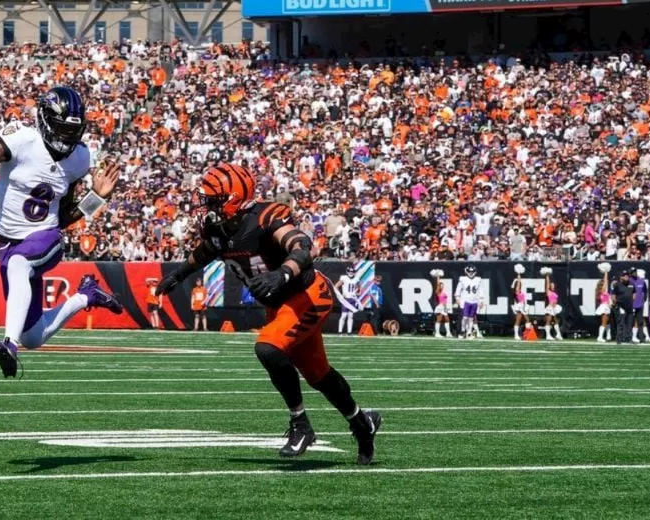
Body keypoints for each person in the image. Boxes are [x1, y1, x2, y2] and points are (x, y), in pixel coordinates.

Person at [156, 163, 380, 465]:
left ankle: (300, 424)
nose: (207, 206)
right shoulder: (219, 228)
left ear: (233, 198)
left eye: (213, 199)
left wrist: (283, 274)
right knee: (318, 375)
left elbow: (302, 245)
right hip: (282, 305)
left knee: (268, 347)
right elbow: (208, 250)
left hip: (307, 294)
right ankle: (361, 422)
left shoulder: (266, 217)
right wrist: (179, 274)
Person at [0, 86, 125, 378]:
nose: (67, 138)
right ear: (44, 119)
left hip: (46, 238)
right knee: (34, 336)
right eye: (61, 129)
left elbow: (64, 217)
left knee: (20, 264)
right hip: (9, 244)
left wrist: (97, 197)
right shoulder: (24, 140)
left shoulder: (79, 158)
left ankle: (8, 344)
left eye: (73, 131)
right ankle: (86, 296)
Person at [455, 266, 483, 340]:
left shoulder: (478, 280)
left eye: (472, 271)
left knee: (471, 318)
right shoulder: (463, 279)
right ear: (467, 271)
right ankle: (462, 331)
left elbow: (480, 290)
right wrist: (457, 297)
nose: (471, 273)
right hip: (465, 301)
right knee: (465, 317)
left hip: (474, 301)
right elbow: (458, 289)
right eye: (469, 272)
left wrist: (481, 300)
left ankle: (469, 333)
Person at [611, 270, 635, 345]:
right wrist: (616, 303)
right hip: (621, 306)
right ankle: (619, 339)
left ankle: (629, 338)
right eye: (625, 276)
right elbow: (613, 295)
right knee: (621, 323)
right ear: (621, 277)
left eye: (627, 275)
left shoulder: (631, 284)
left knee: (629, 323)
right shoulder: (617, 285)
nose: (627, 277)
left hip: (629, 306)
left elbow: (634, 293)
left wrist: (632, 300)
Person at [512, 264, 532, 340]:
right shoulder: (517, 291)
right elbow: (518, 282)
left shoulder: (520, 292)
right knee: (521, 320)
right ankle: (518, 335)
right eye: (519, 284)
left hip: (523, 305)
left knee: (524, 320)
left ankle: (524, 335)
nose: (520, 285)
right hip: (520, 306)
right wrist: (519, 275)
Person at [594, 263, 613, 343]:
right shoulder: (602, 290)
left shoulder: (601, 291)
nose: (604, 284)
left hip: (606, 306)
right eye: (603, 284)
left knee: (607, 321)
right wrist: (606, 272)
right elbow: (606, 281)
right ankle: (600, 337)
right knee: (604, 322)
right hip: (604, 306)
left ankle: (608, 336)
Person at [431, 269, 452, 338]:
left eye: (442, 285)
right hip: (440, 306)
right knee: (439, 319)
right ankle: (437, 333)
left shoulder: (443, 292)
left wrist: (446, 307)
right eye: (441, 285)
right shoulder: (438, 292)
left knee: (447, 319)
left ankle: (448, 333)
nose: (442, 286)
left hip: (444, 307)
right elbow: (438, 283)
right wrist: (438, 277)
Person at [337, 266, 358, 336]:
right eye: (350, 271)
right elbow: (336, 286)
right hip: (345, 300)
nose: (351, 273)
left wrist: (357, 293)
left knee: (350, 316)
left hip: (352, 299)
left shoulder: (356, 279)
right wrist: (340, 295)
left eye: (352, 272)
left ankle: (349, 332)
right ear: (347, 272)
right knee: (344, 315)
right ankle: (340, 332)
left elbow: (359, 288)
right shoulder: (344, 278)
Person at [542, 271, 562, 341]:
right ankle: (548, 335)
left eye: (553, 285)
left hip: (555, 308)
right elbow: (547, 284)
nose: (553, 286)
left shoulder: (554, 292)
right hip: (550, 307)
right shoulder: (548, 292)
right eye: (551, 285)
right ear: (550, 286)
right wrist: (547, 276)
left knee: (556, 321)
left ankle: (558, 334)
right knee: (549, 320)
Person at [631, 269, 650, 342]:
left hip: (640, 304)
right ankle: (632, 336)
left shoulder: (642, 282)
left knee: (640, 320)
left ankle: (642, 337)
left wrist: (643, 300)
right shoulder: (630, 281)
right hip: (631, 304)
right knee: (631, 321)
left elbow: (645, 292)